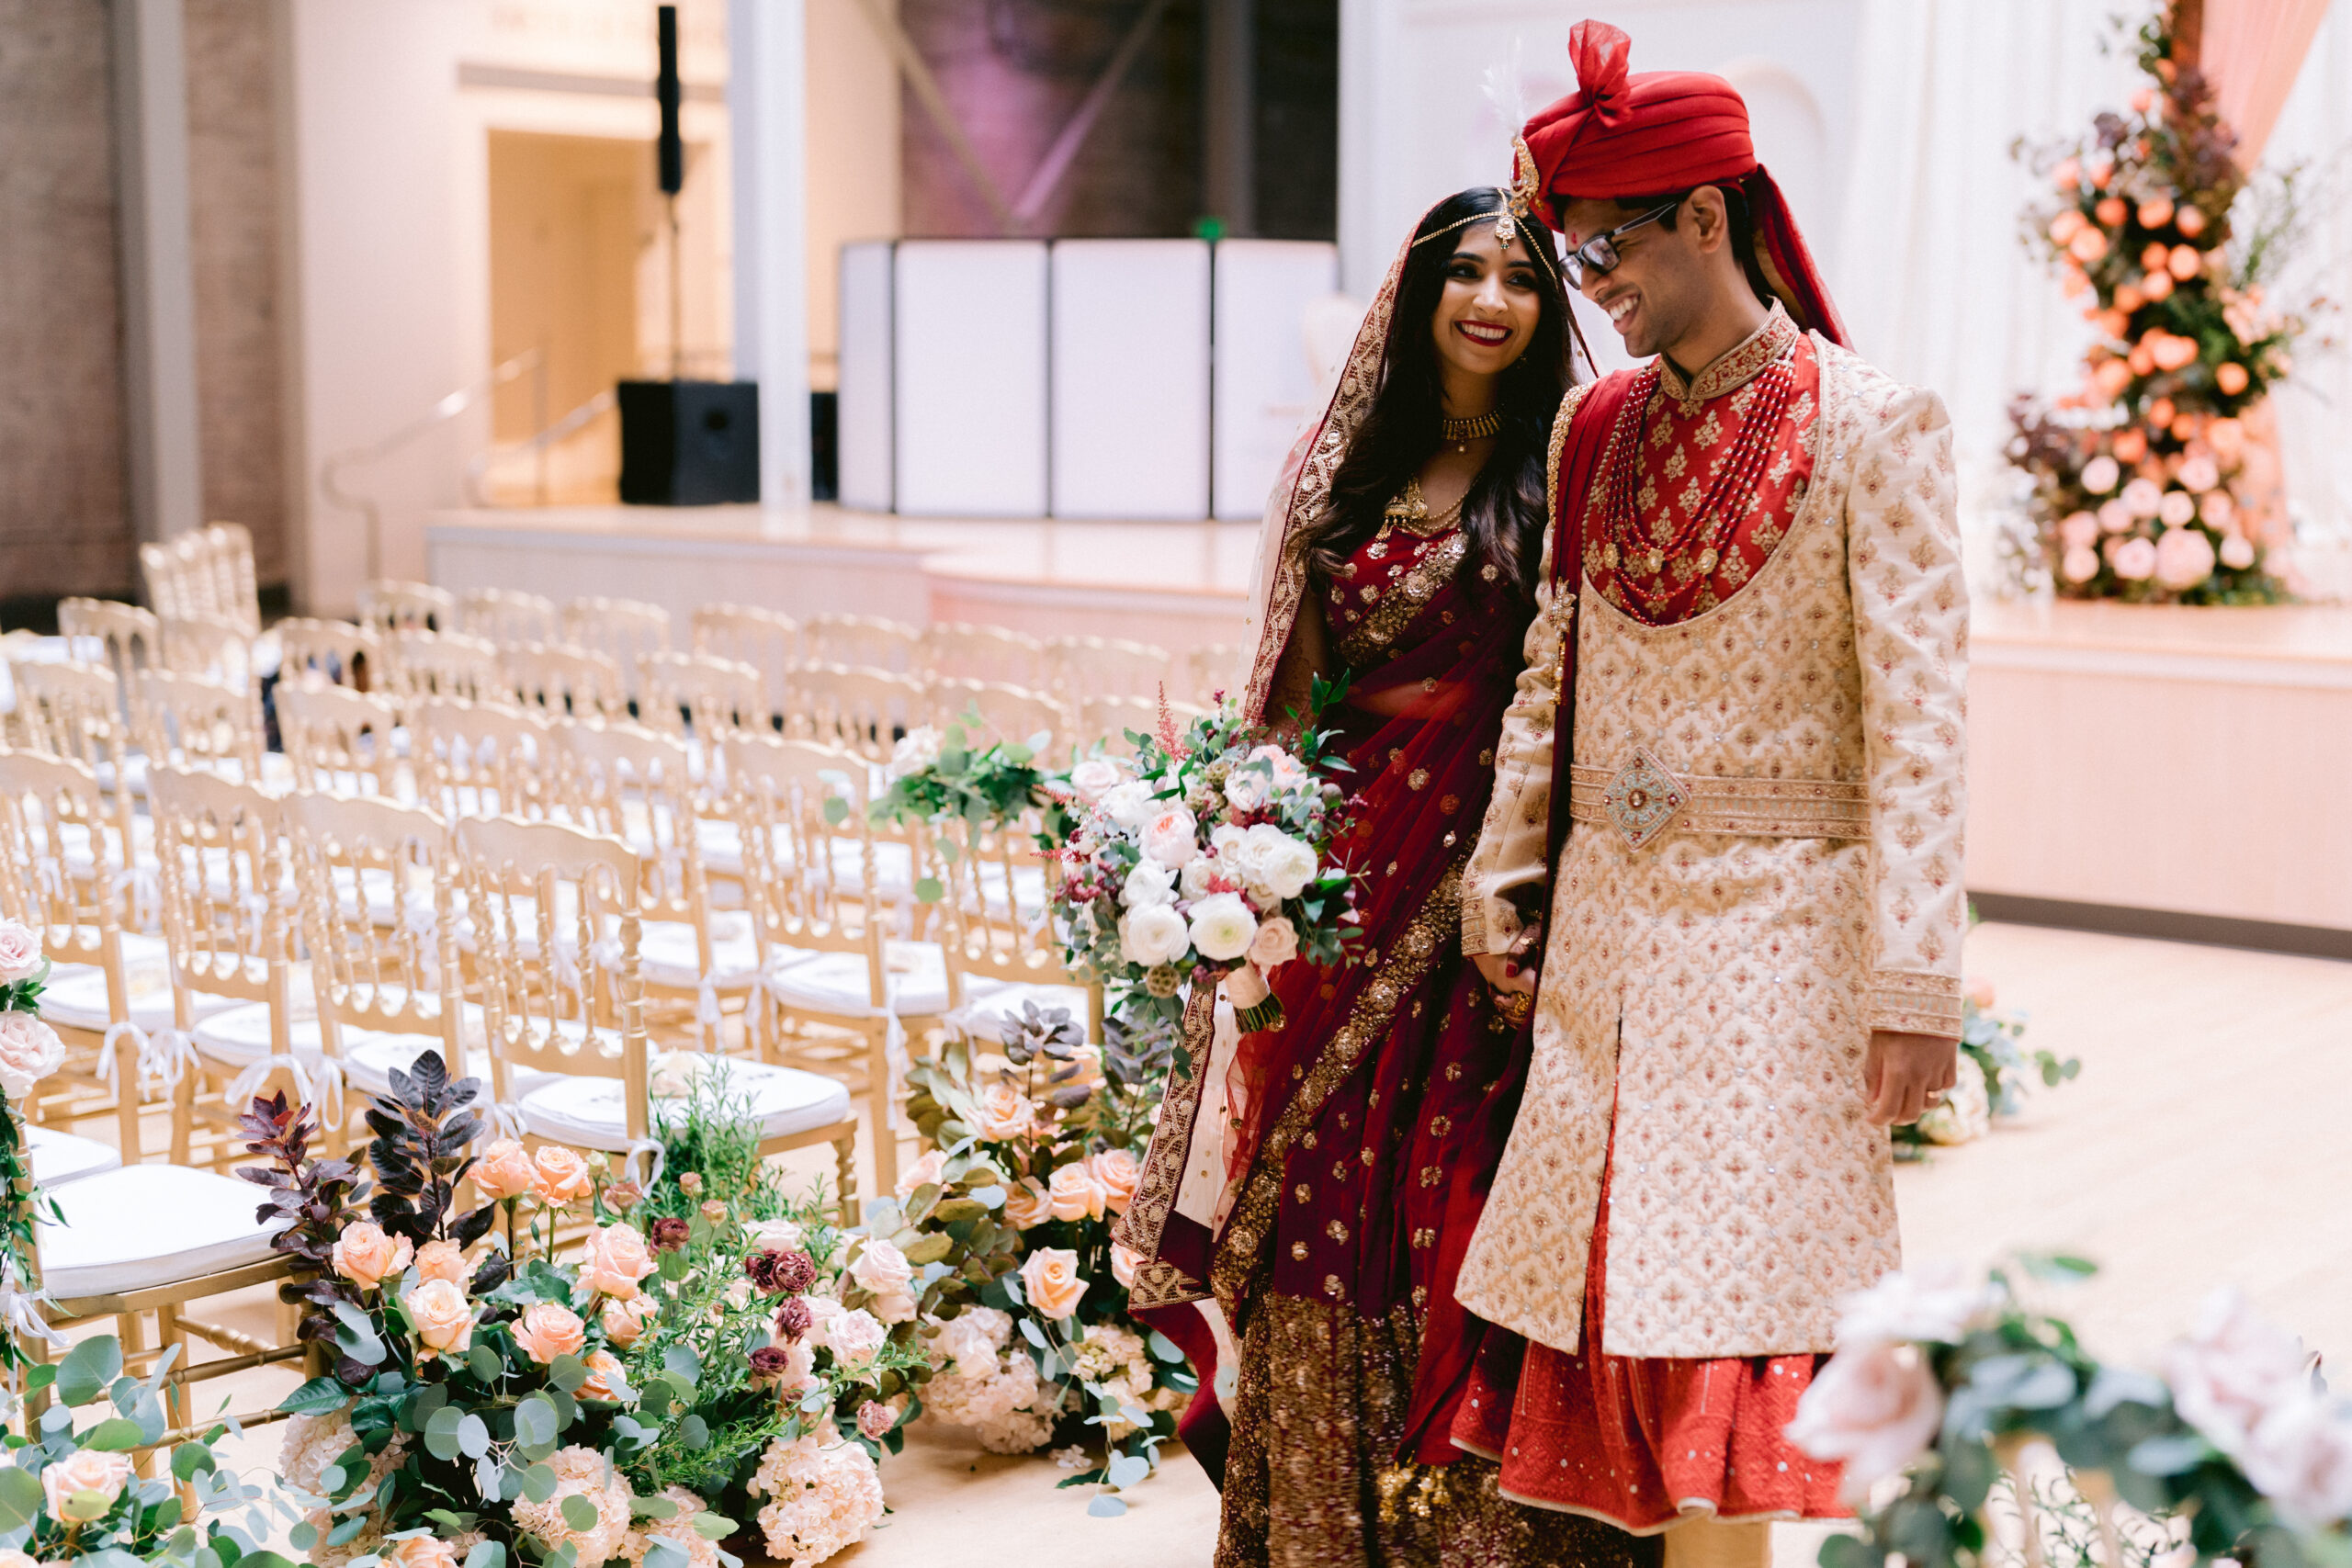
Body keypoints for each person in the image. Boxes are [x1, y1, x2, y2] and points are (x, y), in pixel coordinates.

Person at [1443, 21, 1971, 1568]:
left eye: (1608, 244)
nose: (1584, 282)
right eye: (1568, 247)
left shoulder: (1875, 420)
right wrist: (1508, 867)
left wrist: (1916, 981)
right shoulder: (1596, 423)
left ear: (1706, 215)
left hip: (1783, 950)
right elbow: (1556, 667)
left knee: (1741, 1330)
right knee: (1617, 1313)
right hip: (1609, 956)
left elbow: (1927, 725)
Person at [1114, 186, 1649, 1568]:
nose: (1490, 299)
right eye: (1463, 272)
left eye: (1522, 278)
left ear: (1553, 308)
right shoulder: (1339, 464)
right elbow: (1285, 701)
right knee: (1322, 1193)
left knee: (1456, 1189)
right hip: (1337, 894)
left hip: (1495, 899)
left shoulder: (1567, 465)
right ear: (1414, 297)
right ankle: (1320, 1525)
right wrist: (1235, 869)